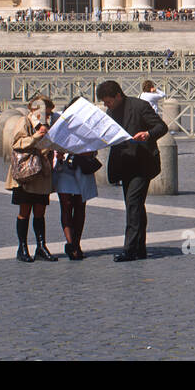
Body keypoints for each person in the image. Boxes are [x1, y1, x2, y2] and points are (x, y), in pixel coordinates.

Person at [97, 79, 167, 262]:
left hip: (142, 163)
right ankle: (140, 247)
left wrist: (148, 134)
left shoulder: (139, 106)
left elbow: (161, 127)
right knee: (135, 206)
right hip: (124, 164)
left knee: (133, 204)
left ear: (118, 95)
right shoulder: (111, 111)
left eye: (108, 101)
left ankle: (129, 249)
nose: (106, 105)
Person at [5, 95, 59, 262]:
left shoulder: (49, 125)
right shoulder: (25, 122)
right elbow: (17, 143)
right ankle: (22, 248)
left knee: (40, 211)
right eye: (45, 112)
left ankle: (41, 246)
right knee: (25, 211)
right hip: (26, 173)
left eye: (49, 113)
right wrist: (37, 135)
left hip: (41, 173)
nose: (47, 116)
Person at [51, 113, 99, 261]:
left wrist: (81, 151)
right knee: (66, 206)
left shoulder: (88, 130)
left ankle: (76, 243)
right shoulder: (60, 127)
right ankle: (71, 244)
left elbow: (95, 150)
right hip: (64, 171)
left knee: (80, 207)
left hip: (81, 170)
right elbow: (52, 146)